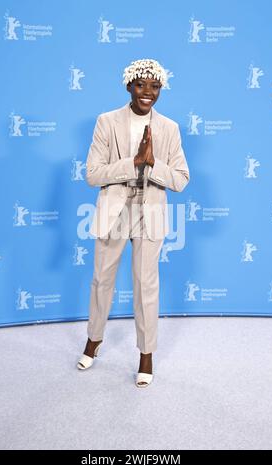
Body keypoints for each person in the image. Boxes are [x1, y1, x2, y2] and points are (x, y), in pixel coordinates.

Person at [77, 58, 190, 387]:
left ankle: (146, 355)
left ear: (160, 90)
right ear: (128, 86)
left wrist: (152, 164)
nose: (147, 92)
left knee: (146, 287)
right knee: (101, 281)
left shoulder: (169, 128)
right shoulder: (106, 121)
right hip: (114, 211)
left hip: (149, 214)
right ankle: (93, 341)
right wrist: (133, 162)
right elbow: (92, 174)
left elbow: (181, 179)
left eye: (154, 86)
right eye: (141, 84)